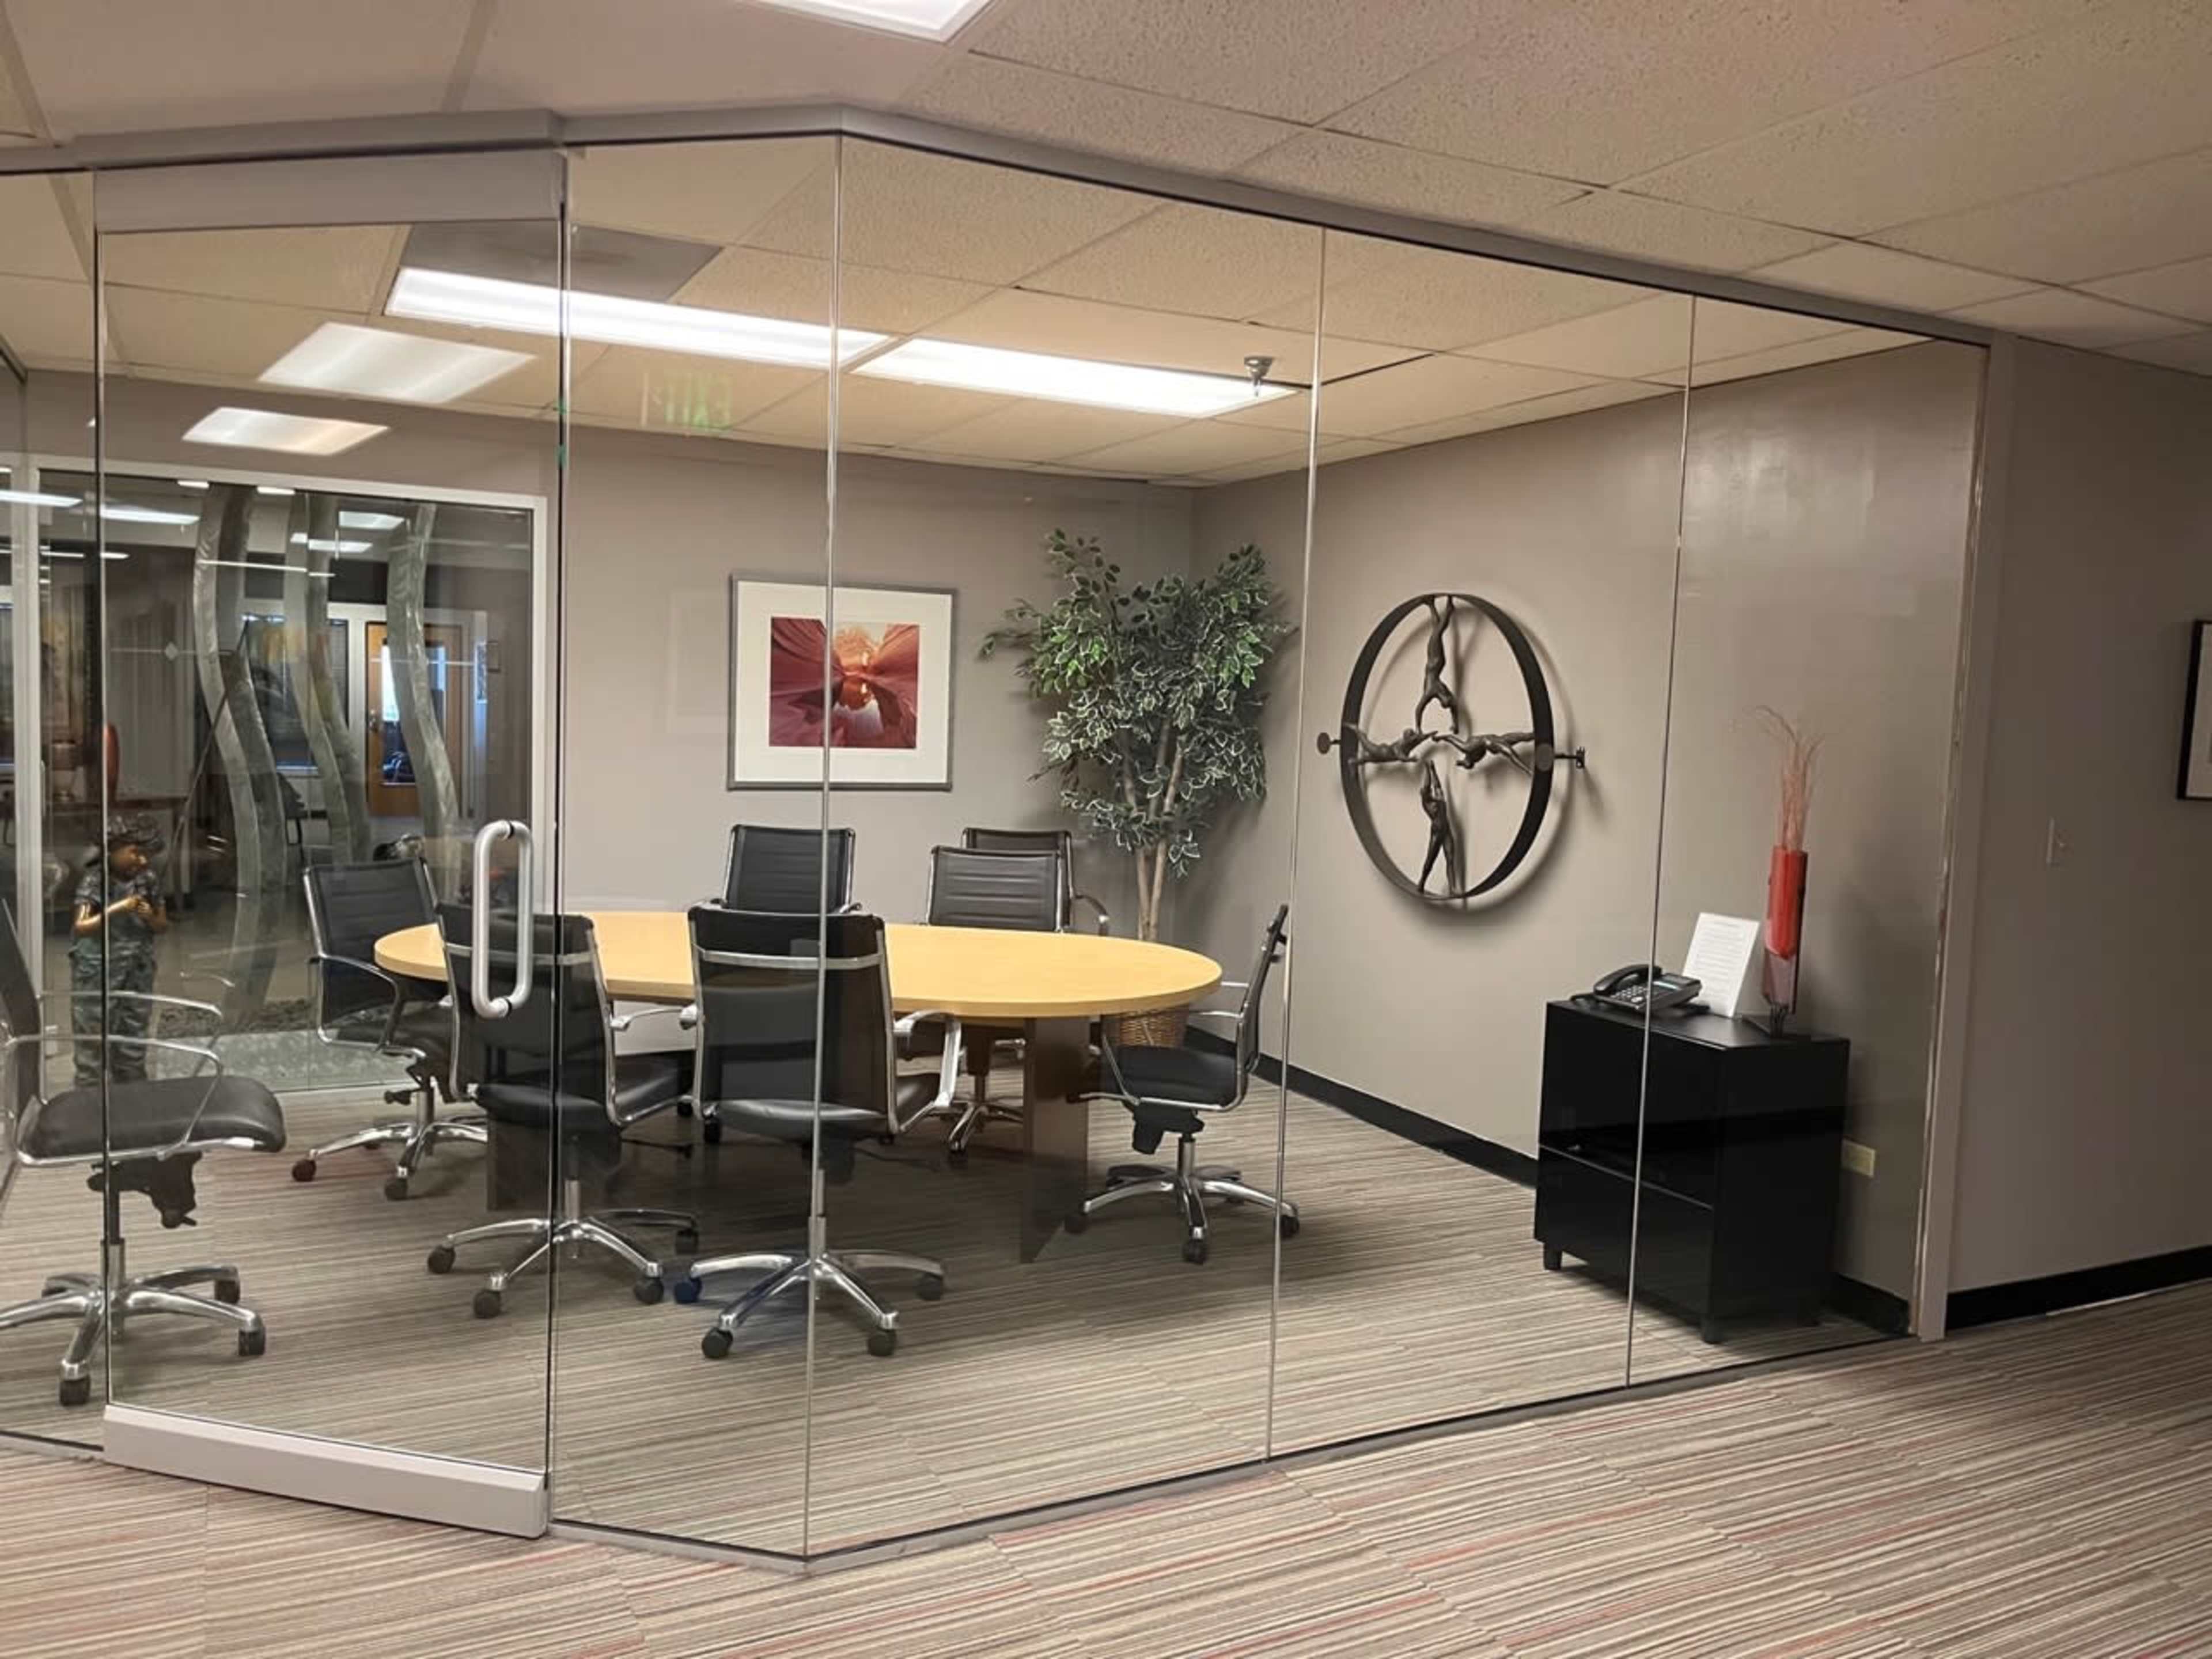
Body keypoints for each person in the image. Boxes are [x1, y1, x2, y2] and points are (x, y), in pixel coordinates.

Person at [70, 817, 170, 1087]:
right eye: (135, 852)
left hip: (137, 966)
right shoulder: (95, 880)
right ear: (113, 850)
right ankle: (90, 1097)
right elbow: (81, 926)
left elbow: (162, 925)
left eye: (146, 854)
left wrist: (149, 916)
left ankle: (132, 1091)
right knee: (93, 1034)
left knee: (134, 1031)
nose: (142, 861)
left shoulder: (147, 880)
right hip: (99, 969)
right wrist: (118, 908)